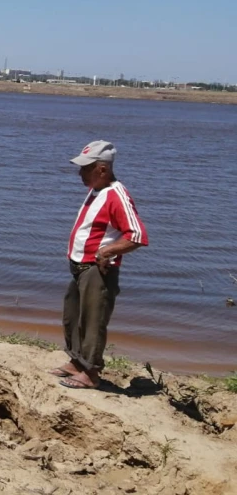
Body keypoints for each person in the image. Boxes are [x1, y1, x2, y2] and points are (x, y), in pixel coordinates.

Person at [52, 140, 148, 390]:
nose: (80, 173)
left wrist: (107, 251)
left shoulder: (117, 195)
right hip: (80, 267)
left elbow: (136, 236)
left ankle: (91, 373)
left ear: (102, 169)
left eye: (86, 168)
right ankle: (77, 362)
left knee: (94, 319)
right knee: (72, 315)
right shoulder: (97, 190)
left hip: (98, 270)